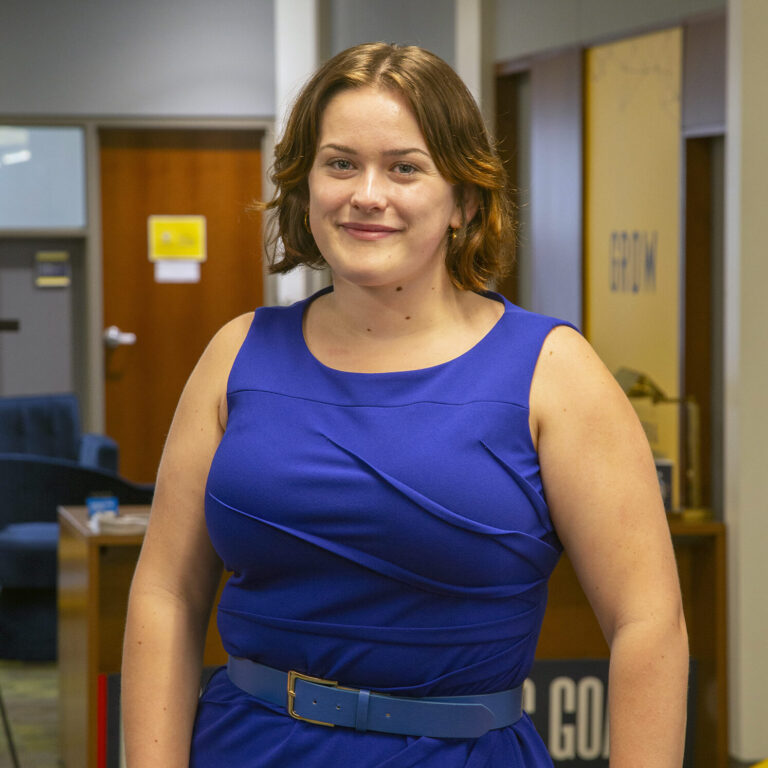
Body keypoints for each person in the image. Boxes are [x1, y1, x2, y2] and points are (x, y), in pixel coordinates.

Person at [122, 42, 689, 767]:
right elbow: (166, 594)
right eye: (339, 163)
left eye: (405, 167)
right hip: (247, 745)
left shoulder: (553, 371)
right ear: (304, 187)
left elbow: (648, 624)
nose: (366, 193)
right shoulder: (237, 355)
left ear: (465, 201)